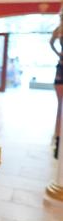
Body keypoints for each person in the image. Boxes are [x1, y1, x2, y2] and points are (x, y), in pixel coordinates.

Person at [49, 11, 63, 159]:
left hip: (61, 66)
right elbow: (51, 42)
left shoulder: (59, 30)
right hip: (61, 67)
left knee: (61, 107)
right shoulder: (59, 30)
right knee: (60, 106)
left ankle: (58, 139)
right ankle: (58, 140)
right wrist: (59, 55)